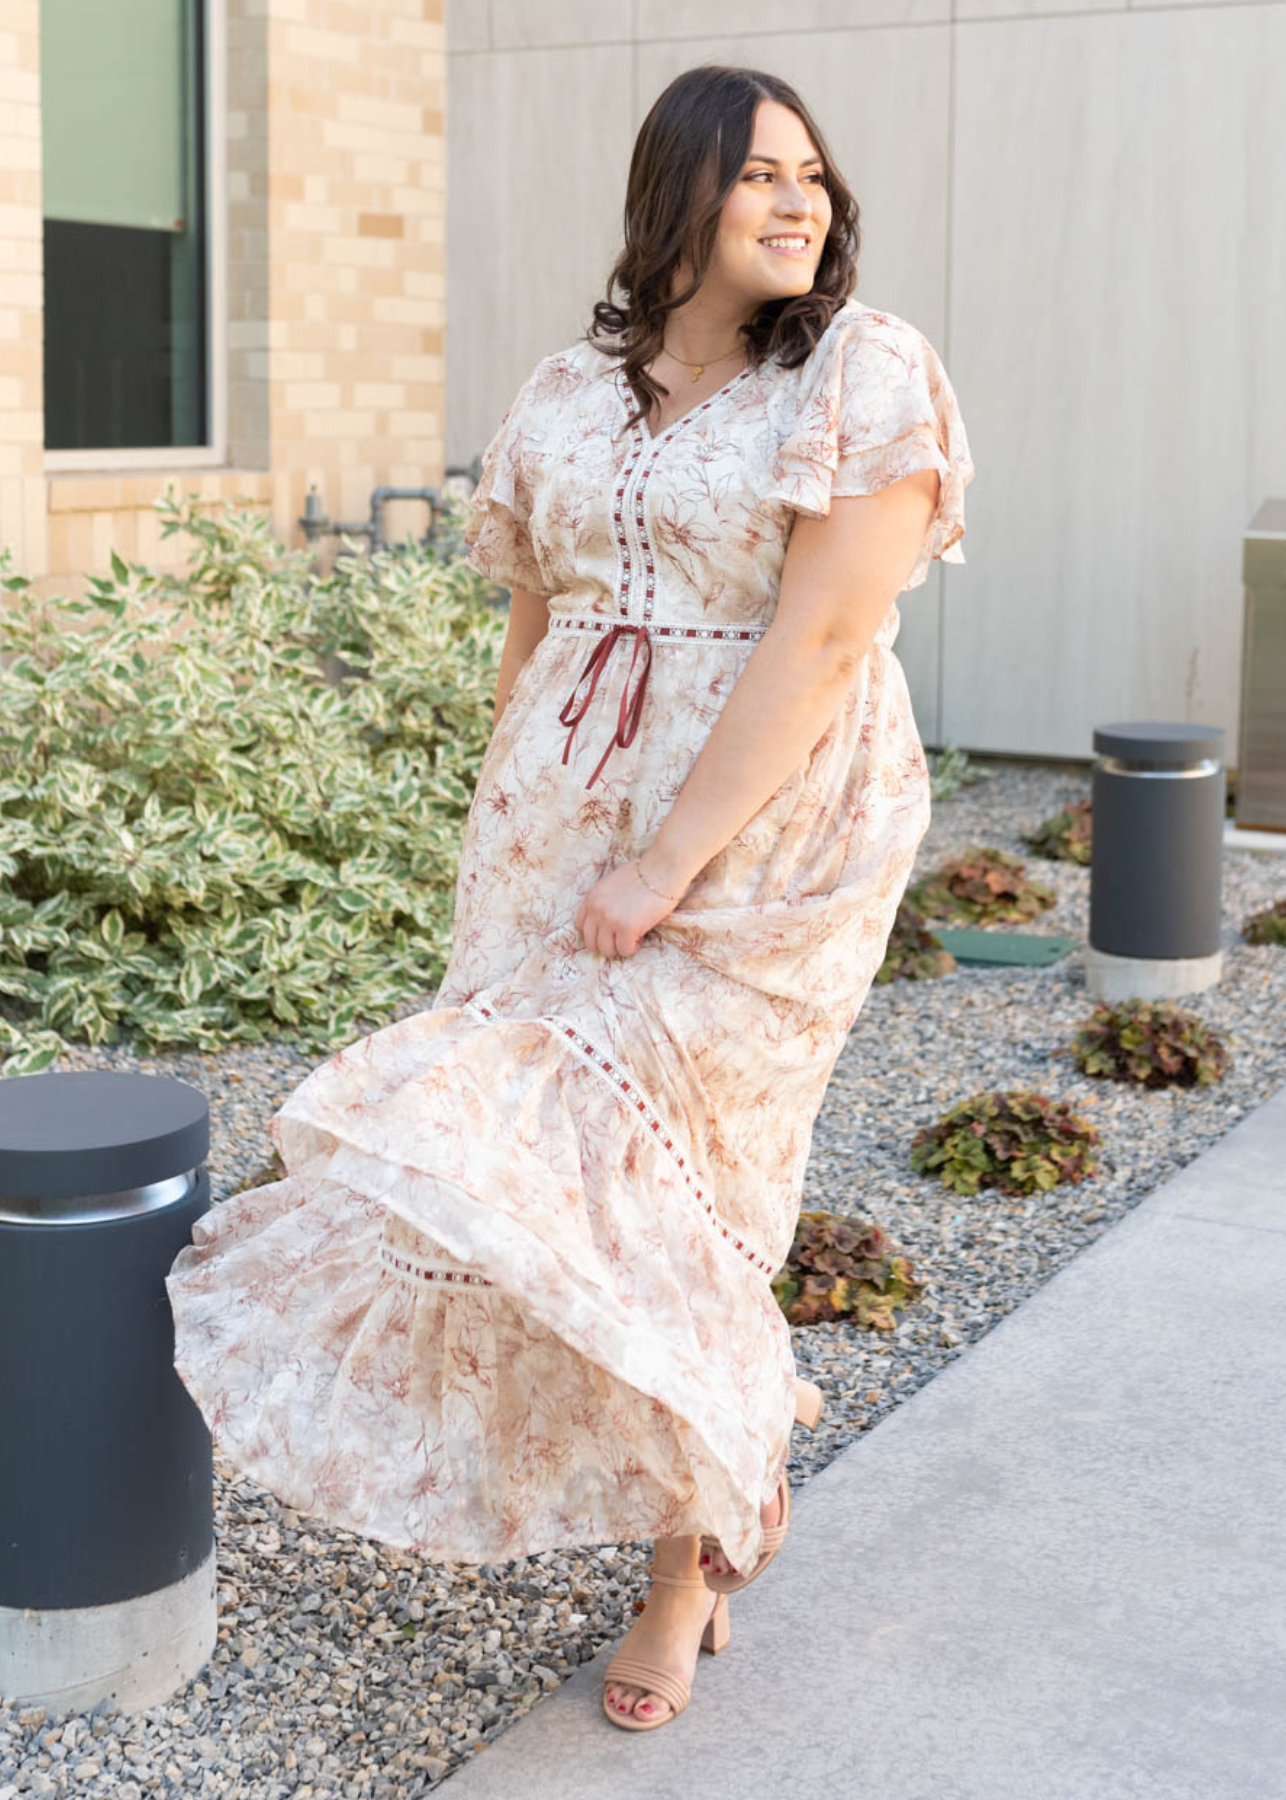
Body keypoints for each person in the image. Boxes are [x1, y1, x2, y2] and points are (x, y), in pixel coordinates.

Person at [165, 63, 975, 1736]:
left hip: (764, 838)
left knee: (689, 1195)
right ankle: (714, 1485)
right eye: (758, 173)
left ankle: (689, 1560)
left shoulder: (861, 371)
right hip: (556, 819)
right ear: (671, 190)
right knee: (545, 1175)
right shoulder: (563, 389)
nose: (798, 200)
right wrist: (512, 827)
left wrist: (665, 863)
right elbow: (535, 623)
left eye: (812, 176)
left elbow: (823, 640)